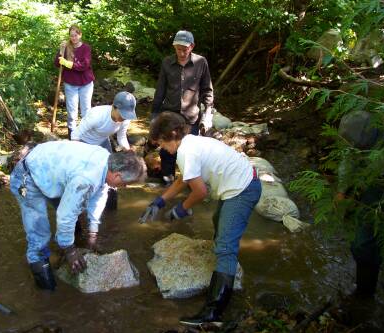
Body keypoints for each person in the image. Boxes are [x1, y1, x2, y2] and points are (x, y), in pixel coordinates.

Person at [139, 112, 261, 327]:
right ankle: (225, 267)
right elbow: (183, 180)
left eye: (161, 143)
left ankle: (213, 314)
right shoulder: (191, 143)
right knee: (218, 221)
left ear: (172, 135)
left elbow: (200, 192)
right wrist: (159, 201)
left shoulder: (186, 151)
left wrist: (181, 209)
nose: (161, 148)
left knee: (224, 247)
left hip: (242, 190)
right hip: (241, 185)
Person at [10, 141, 146, 291]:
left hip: (51, 171)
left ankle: (64, 247)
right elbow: (65, 215)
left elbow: (98, 197)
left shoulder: (108, 162)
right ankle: (46, 289)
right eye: (126, 183)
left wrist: (93, 232)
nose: (125, 186)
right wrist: (70, 251)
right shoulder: (86, 179)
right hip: (27, 177)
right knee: (39, 236)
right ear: (117, 175)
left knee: (75, 219)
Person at [335, 110, 384, 299]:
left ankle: (365, 292)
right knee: (362, 242)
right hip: (373, 179)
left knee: (364, 243)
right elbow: (348, 160)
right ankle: (365, 290)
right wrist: (342, 190)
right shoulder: (358, 131)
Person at [151, 30, 214, 186]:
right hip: (169, 115)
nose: (181, 52)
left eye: (184, 49)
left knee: (190, 153)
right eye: (178, 49)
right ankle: (167, 182)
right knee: (167, 152)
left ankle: (191, 184)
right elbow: (160, 90)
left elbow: (207, 90)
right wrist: (154, 116)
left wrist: (208, 114)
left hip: (191, 117)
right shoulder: (167, 62)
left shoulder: (201, 62)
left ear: (192, 46)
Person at [71, 91, 137, 210]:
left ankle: (110, 209)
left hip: (102, 142)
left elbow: (121, 137)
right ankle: (80, 208)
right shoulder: (97, 115)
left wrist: (128, 150)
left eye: (127, 115)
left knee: (112, 174)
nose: (123, 118)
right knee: (85, 178)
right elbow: (75, 135)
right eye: (122, 114)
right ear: (114, 107)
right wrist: (78, 156)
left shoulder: (125, 119)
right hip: (84, 143)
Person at [54, 25, 95, 139]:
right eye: (71, 36)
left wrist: (68, 63)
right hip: (70, 84)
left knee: (86, 110)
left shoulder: (86, 48)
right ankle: (72, 136)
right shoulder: (66, 47)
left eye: (76, 35)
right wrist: (60, 51)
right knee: (72, 112)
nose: (74, 38)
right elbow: (57, 64)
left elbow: (84, 65)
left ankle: (86, 135)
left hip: (85, 83)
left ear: (80, 35)